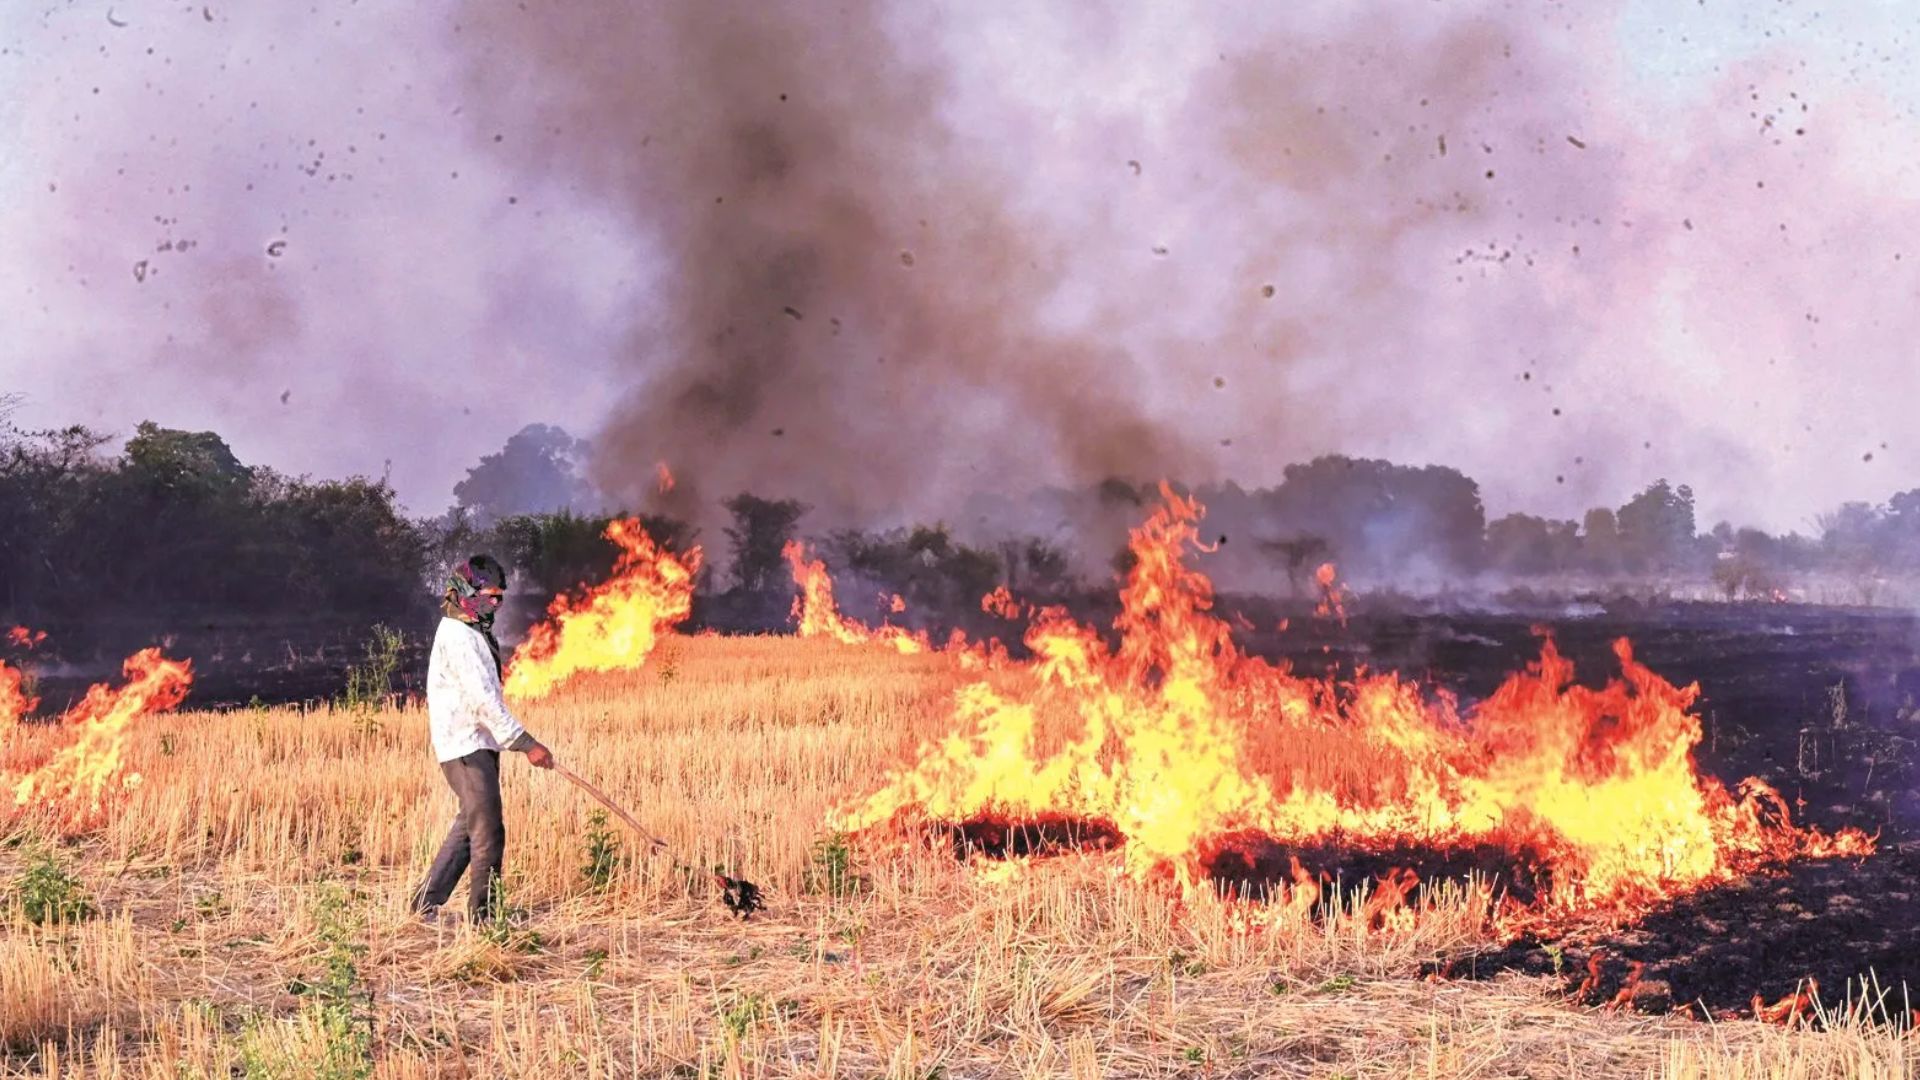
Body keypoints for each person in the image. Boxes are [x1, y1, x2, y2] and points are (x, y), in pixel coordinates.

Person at [410, 554, 555, 924]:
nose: (496, 604)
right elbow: (482, 700)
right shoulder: (458, 636)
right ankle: (485, 918)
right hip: (464, 745)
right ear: (466, 592)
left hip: (479, 743)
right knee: (488, 829)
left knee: (469, 824)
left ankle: (423, 905)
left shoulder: (472, 631)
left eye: (500, 597)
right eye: (490, 596)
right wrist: (526, 743)